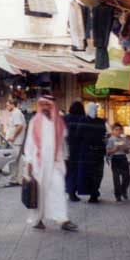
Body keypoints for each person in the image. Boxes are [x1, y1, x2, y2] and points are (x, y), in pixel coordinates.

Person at [25, 95, 78, 231]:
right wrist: (29, 162)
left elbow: (62, 144)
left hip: (55, 163)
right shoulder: (34, 122)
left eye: (48, 105)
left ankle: (63, 220)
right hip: (39, 164)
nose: (46, 107)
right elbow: (29, 144)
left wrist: (64, 159)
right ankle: (37, 219)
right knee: (40, 193)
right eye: (43, 105)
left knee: (58, 189)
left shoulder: (59, 122)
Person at [63, 101, 86, 202]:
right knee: (76, 171)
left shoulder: (65, 118)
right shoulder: (83, 119)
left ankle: (68, 189)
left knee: (68, 170)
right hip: (79, 148)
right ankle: (73, 192)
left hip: (67, 147)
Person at [4, 99, 27, 187]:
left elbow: (19, 126)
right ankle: (19, 179)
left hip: (16, 141)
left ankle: (14, 179)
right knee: (18, 161)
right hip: (16, 141)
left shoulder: (16, 113)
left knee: (13, 160)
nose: (6, 107)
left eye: (7, 105)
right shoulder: (15, 113)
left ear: (12, 104)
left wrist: (13, 136)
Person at [107, 123, 130, 202]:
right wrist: (114, 149)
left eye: (119, 130)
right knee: (116, 178)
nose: (118, 131)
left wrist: (125, 148)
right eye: (116, 130)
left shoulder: (124, 139)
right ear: (113, 131)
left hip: (123, 158)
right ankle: (117, 195)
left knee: (127, 177)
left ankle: (123, 190)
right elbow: (108, 151)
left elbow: (128, 150)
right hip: (116, 158)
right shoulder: (111, 139)